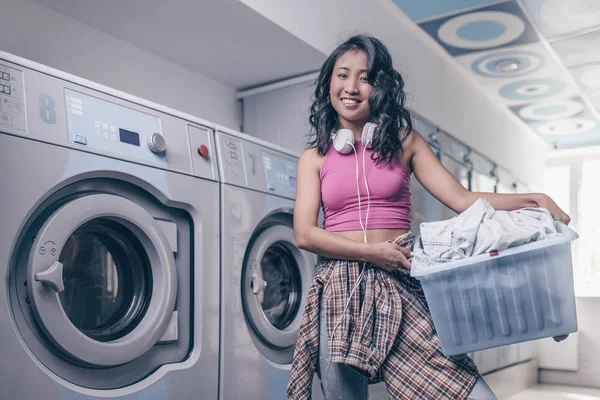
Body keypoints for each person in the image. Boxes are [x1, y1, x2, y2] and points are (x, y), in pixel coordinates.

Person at [286, 34, 570, 400]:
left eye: (365, 77)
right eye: (343, 75)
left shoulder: (406, 141)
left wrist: (534, 198)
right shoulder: (315, 157)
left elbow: (463, 198)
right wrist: (372, 253)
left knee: (473, 393)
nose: (352, 87)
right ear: (329, 82)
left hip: (402, 279)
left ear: (381, 86)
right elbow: (304, 234)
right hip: (341, 289)